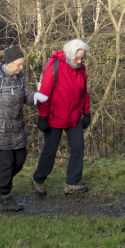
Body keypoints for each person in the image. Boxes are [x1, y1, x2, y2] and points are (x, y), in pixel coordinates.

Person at [0, 46, 48, 211]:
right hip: (0, 130)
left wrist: (36, 96)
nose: (21, 67)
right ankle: (5, 197)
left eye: (23, 64)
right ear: (9, 63)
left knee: (20, 161)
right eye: (19, 64)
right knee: (7, 164)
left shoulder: (20, 77)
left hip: (18, 128)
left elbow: (26, 96)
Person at [30, 39, 92, 196]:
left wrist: (87, 112)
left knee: (78, 148)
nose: (79, 61)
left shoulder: (81, 69)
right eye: (77, 58)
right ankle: (38, 179)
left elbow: (84, 92)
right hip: (54, 117)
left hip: (74, 116)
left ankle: (72, 183)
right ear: (69, 54)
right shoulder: (54, 67)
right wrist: (42, 116)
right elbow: (44, 94)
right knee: (50, 151)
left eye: (82, 58)